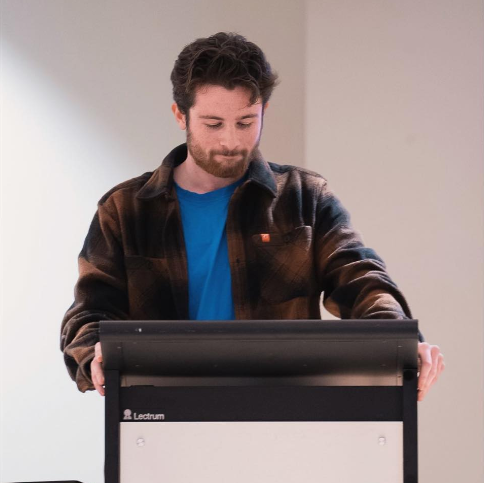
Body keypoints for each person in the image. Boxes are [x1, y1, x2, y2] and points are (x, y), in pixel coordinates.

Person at [60, 32, 444, 401]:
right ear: (180, 115)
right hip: (160, 419)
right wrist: (96, 352)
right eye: (213, 124)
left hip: (285, 416)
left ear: (264, 111)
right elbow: (89, 312)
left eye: (246, 122)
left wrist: (400, 341)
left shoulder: (304, 197)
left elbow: (362, 281)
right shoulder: (126, 210)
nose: (230, 141)